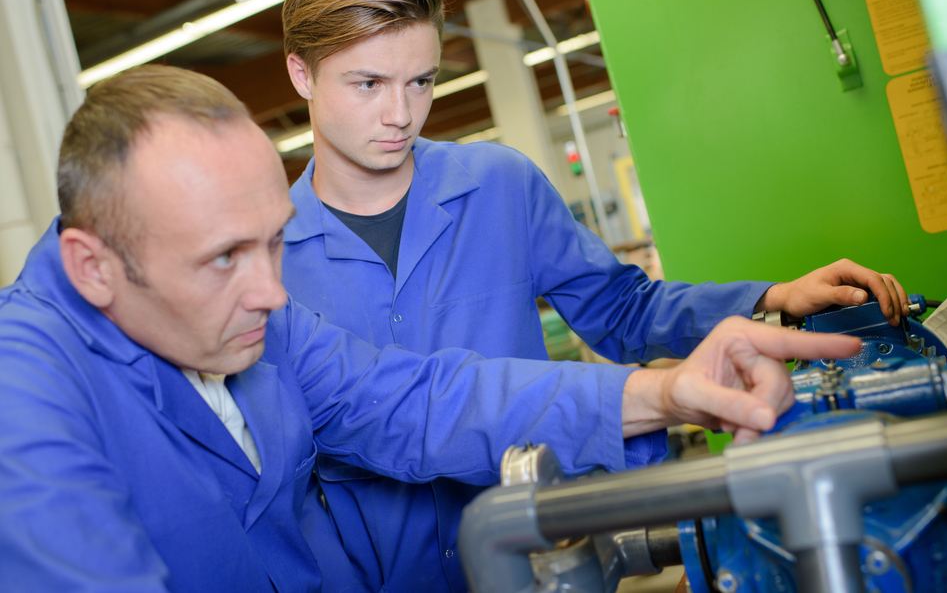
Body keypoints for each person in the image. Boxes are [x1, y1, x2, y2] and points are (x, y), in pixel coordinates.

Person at [0, 65, 861, 592]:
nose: (271, 289)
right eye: (225, 257)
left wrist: (663, 389)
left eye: (274, 240)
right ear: (92, 268)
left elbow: (415, 396)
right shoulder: (26, 398)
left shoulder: (251, 313)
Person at [280, 0, 909, 593]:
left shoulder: (500, 185)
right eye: (368, 83)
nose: (400, 114)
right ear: (302, 75)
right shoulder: (265, 258)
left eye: (421, 81)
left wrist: (769, 297)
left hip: (538, 559)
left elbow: (621, 310)